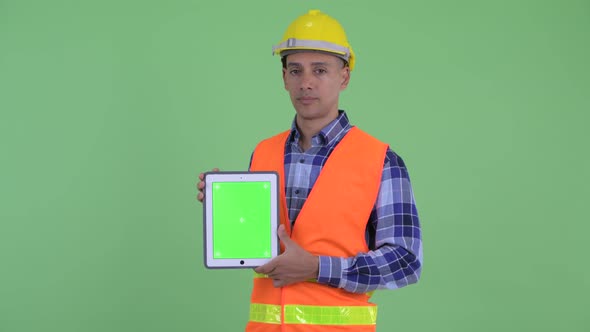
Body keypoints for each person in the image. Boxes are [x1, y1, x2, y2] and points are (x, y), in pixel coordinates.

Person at [197, 9, 422, 331]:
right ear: (284, 77)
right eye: (295, 70)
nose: (306, 83)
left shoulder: (382, 160)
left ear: (344, 77)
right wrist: (227, 210)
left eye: (320, 70)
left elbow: (405, 262)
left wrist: (317, 268)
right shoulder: (263, 152)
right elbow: (262, 249)